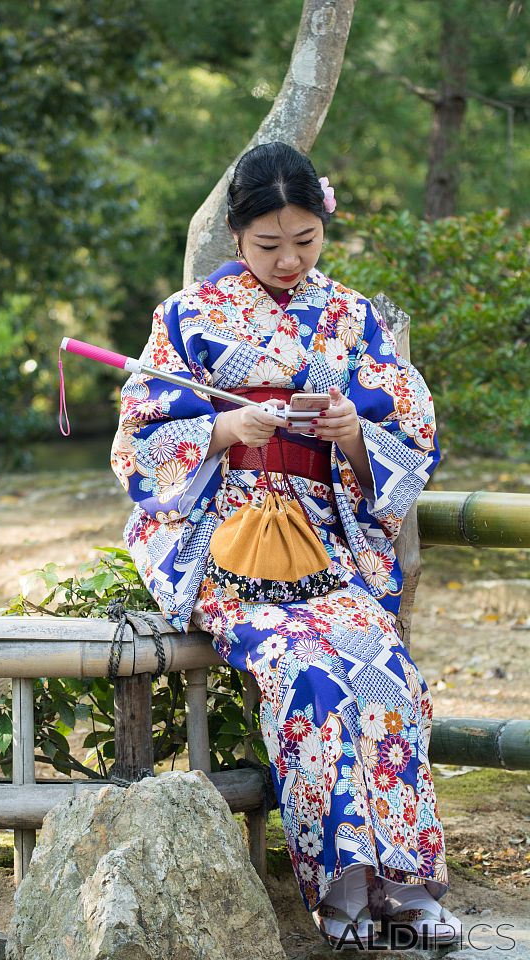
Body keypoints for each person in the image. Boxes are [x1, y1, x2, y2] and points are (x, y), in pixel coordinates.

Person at [111, 141, 461, 949]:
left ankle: (405, 891)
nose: (287, 259)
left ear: (323, 225)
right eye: (268, 245)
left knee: (382, 667)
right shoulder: (187, 316)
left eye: (305, 240)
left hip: (328, 541)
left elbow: (411, 435)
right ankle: (340, 893)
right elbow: (139, 445)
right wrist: (223, 425)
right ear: (236, 236)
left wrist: (355, 439)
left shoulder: (354, 318)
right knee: (305, 673)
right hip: (229, 543)